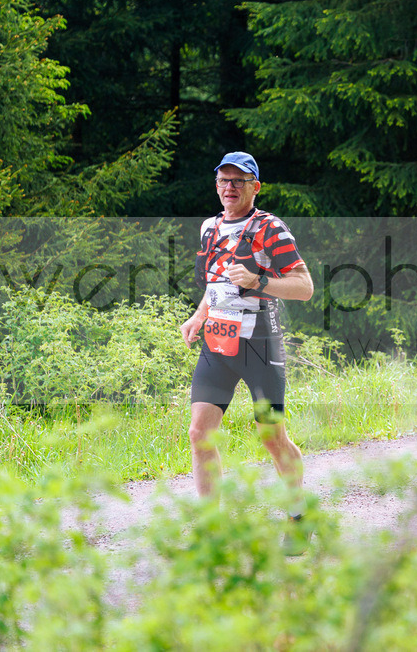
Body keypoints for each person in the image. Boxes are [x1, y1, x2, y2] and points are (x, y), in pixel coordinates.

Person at [179, 151, 315, 551]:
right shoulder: (209, 227)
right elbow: (215, 282)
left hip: (260, 345)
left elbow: (304, 287)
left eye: (239, 181)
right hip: (218, 341)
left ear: (255, 187)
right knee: (199, 433)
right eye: (223, 180)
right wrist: (198, 315)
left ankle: (297, 517)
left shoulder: (271, 228)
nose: (230, 187)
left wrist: (259, 280)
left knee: (272, 436)